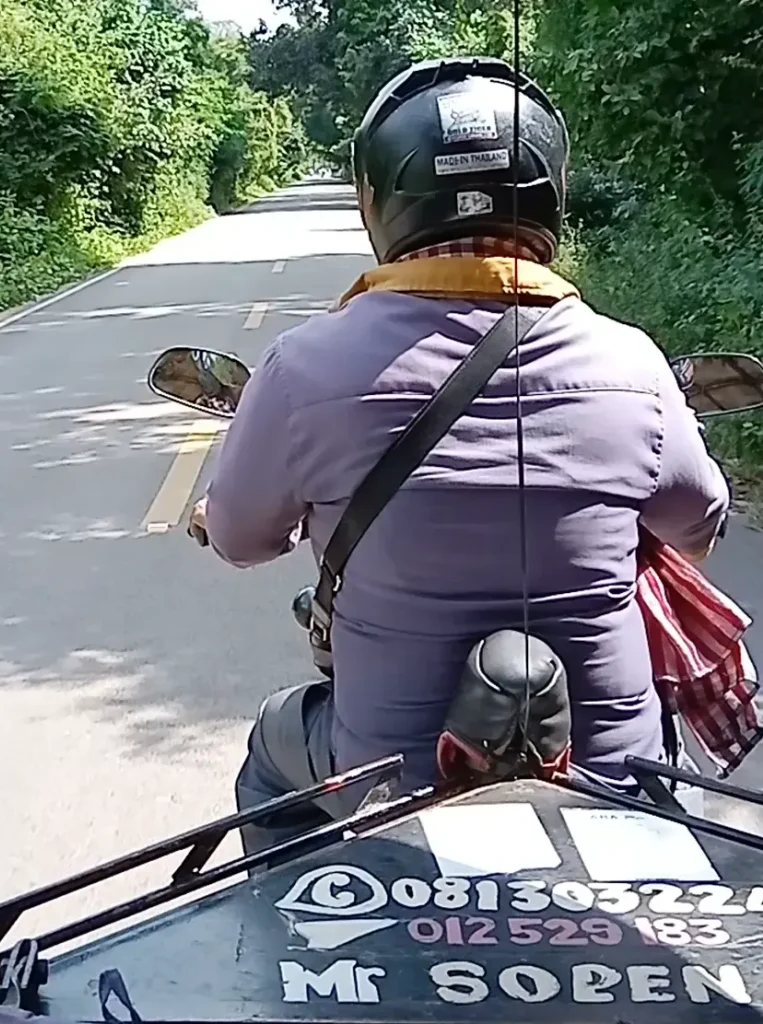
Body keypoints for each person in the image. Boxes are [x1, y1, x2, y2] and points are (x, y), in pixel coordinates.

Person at [189, 57, 730, 852]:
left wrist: (216, 516)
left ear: (377, 200)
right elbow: (697, 523)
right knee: (663, 751)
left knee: (275, 747)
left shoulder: (302, 366)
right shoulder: (633, 362)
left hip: (388, 785)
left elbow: (239, 539)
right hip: (609, 780)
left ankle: (293, 943)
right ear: (549, 194)